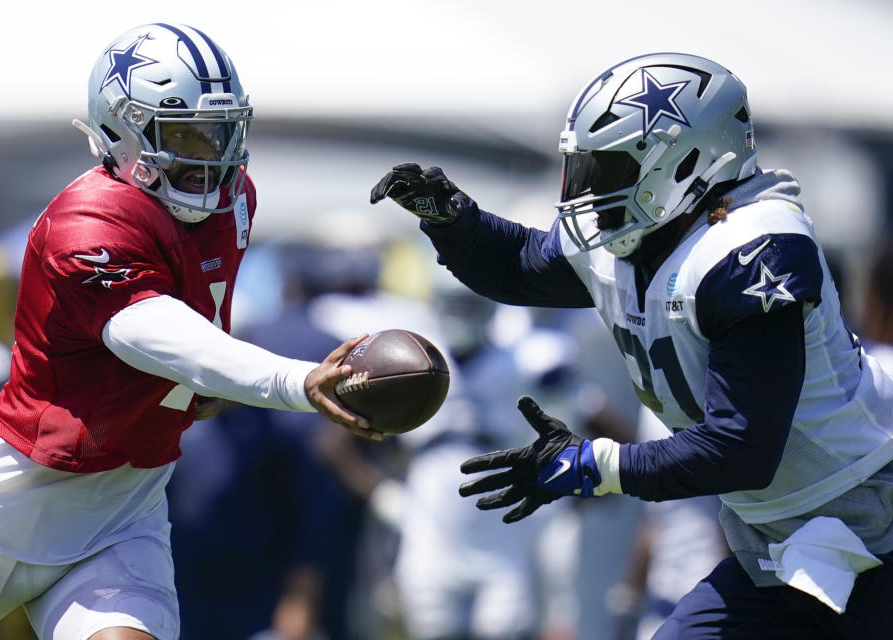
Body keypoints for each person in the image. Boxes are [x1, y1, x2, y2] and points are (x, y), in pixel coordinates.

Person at [371, 52, 893, 639]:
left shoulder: (753, 248)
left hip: (873, 521)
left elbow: (742, 445)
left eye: (610, 169)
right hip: (775, 540)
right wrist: (452, 219)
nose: (589, 192)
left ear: (686, 159)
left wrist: (594, 465)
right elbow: (518, 267)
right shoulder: (639, 242)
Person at [0, 23, 378, 640]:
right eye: (186, 134)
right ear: (120, 129)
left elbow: (195, 328)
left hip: (128, 501)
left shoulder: (233, 200)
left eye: (220, 132)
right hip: (10, 503)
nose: (209, 155)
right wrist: (293, 381)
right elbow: (154, 332)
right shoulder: (87, 221)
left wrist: (204, 388)